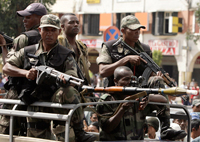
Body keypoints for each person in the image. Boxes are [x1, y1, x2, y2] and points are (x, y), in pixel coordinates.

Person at [2, 14, 96, 142]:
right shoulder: (28, 51)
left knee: (70, 91)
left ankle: (80, 132)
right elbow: (7, 68)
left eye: (53, 30)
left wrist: (64, 81)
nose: (49, 34)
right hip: (33, 100)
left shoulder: (66, 54)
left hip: (55, 100)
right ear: (40, 31)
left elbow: (73, 77)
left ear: (59, 32)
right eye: (46, 30)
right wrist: (25, 73)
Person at [96, 15, 181, 140]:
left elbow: (150, 74)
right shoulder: (110, 46)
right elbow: (103, 71)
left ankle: (165, 128)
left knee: (157, 80)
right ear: (123, 30)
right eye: (133, 30)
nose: (137, 33)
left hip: (140, 93)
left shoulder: (145, 49)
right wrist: (126, 59)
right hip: (117, 93)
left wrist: (158, 76)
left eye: (139, 30)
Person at [96, 66, 185, 141]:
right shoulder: (107, 100)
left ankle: (165, 130)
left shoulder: (138, 99)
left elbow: (164, 101)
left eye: (132, 79)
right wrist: (122, 109)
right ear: (115, 81)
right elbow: (107, 127)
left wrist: (149, 98)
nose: (130, 83)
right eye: (126, 79)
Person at [0, 2, 47, 135]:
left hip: (17, 92)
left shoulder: (24, 38)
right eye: (24, 17)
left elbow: (7, 66)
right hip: (38, 93)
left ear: (40, 18)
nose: (24, 20)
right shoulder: (51, 38)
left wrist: (4, 46)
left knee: (6, 132)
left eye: (28, 17)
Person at [59, 13, 91, 85]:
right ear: (62, 26)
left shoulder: (82, 47)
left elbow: (85, 71)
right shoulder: (58, 44)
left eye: (77, 22)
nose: (76, 24)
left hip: (80, 87)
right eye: (71, 22)